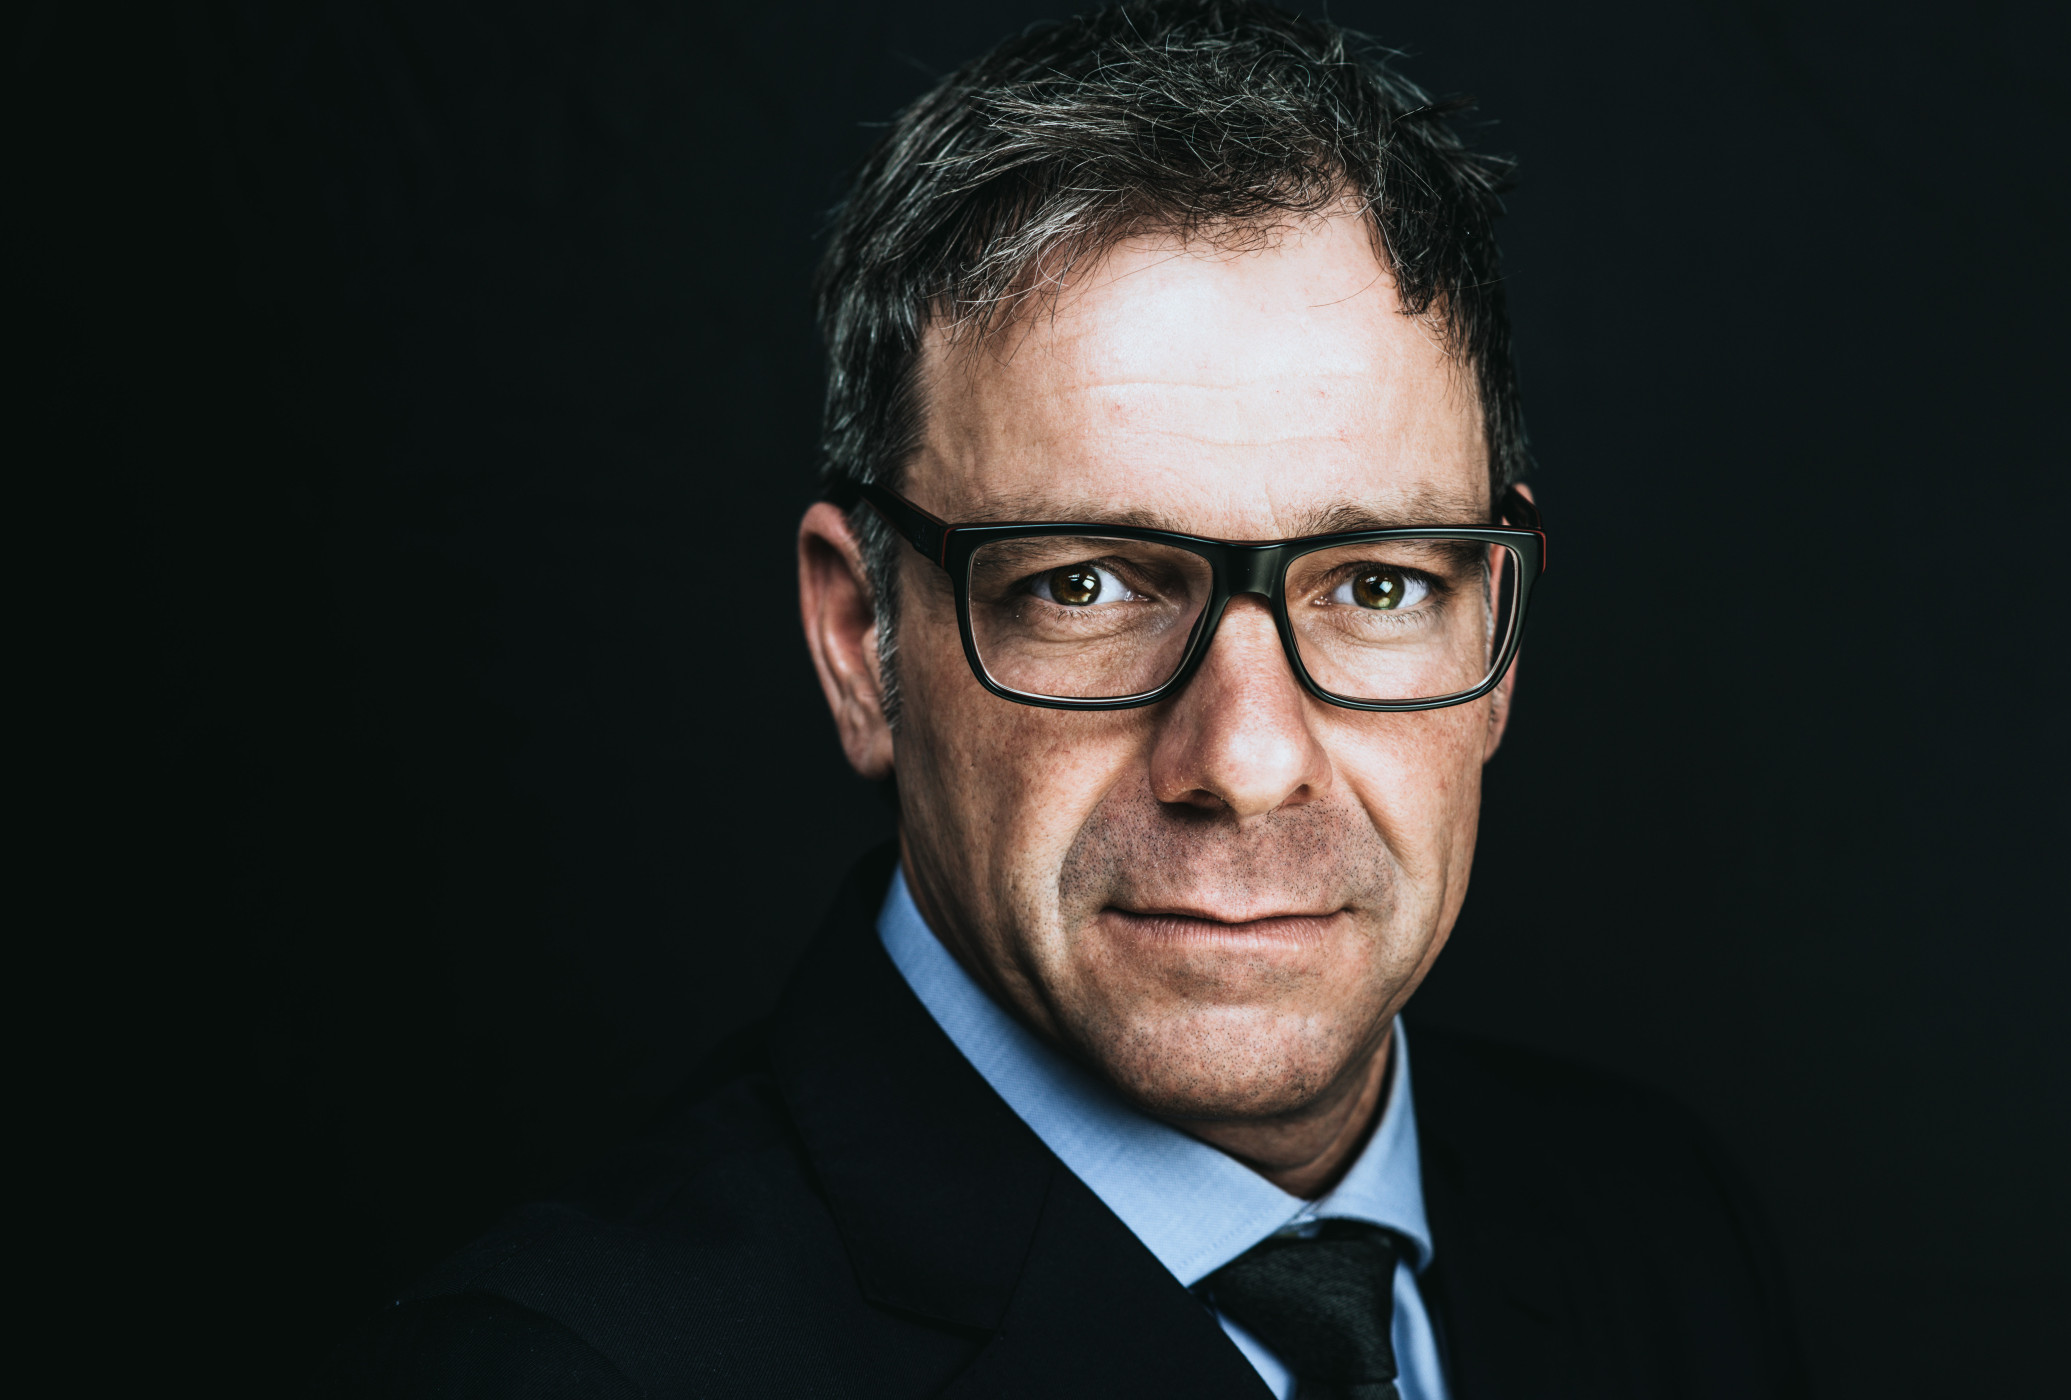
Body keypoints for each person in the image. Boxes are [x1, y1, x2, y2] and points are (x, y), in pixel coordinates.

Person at [322, 3, 1807, 1395]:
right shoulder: (572, 1368)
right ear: (859, 640)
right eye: (1085, 586)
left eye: (1374, 584)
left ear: (1499, 626)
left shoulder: (1659, 1228)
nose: (1246, 758)